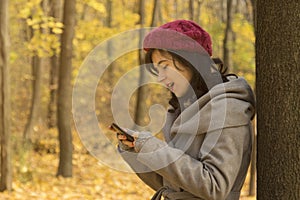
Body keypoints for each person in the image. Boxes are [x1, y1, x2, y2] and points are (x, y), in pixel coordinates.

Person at [114, 19, 255, 200]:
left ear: (190, 61)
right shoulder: (183, 111)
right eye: (157, 70)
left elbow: (215, 187)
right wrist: (136, 151)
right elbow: (175, 186)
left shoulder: (227, 108)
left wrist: (152, 147)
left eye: (165, 66)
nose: (160, 78)